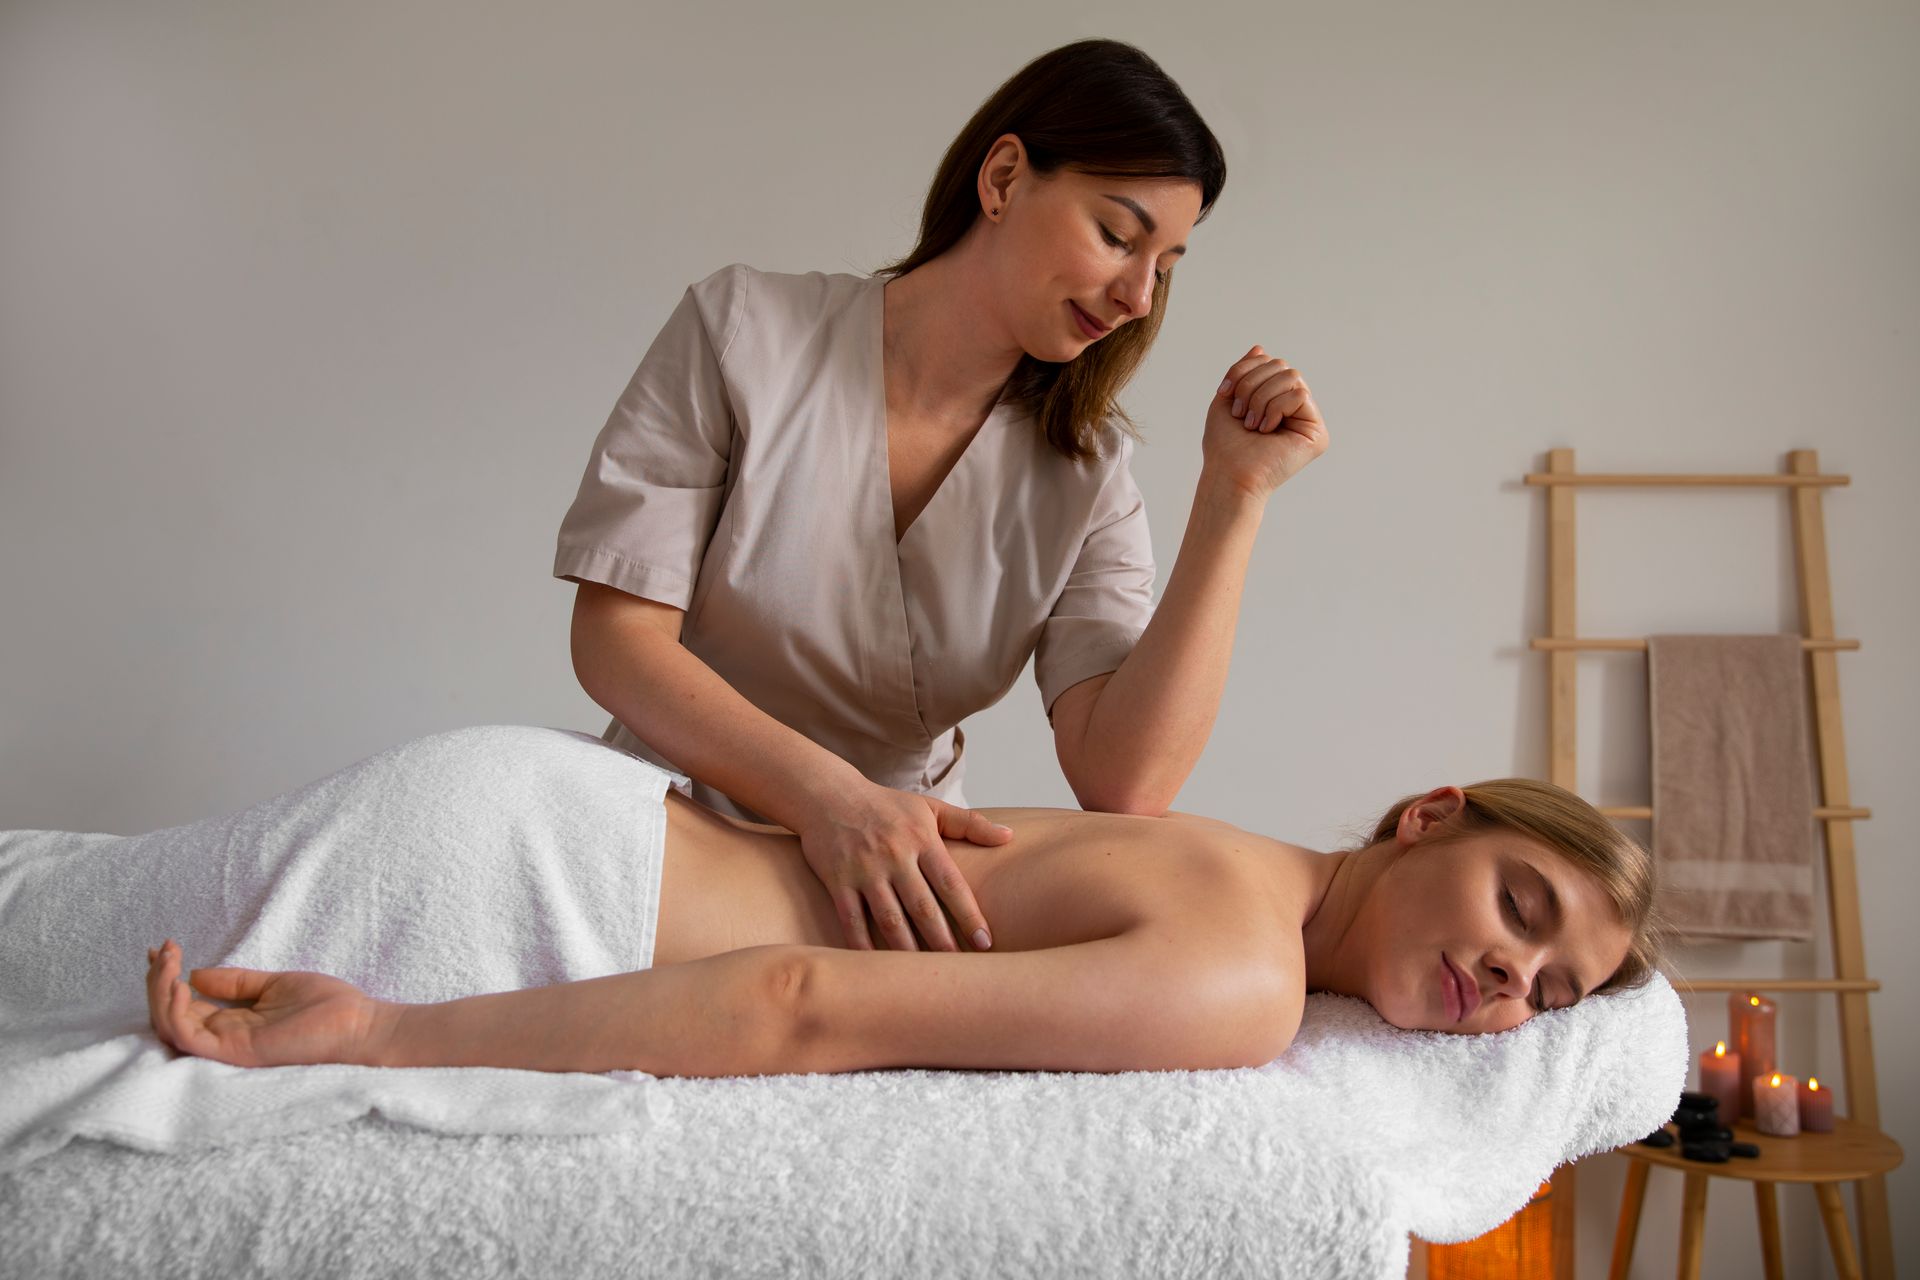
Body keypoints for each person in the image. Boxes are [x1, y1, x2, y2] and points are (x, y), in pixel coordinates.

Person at [554, 38, 1329, 958]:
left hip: (894, 899)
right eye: (1118, 236)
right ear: (1002, 177)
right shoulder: (743, 333)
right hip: (651, 839)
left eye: (1163, 266)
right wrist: (830, 802)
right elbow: (615, 641)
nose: (1135, 295)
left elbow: (1128, 783)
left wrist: (1233, 496)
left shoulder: (1085, 475)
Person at [144, 763, 1659, 1079]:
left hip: (546, 809)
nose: (1514, 972)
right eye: (1522, 906)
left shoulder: (1243, 864)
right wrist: (387, 1036)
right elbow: (803, 1000)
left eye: (1555, 987)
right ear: (1427, 814)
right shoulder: (1242, 974)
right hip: (543, 892)